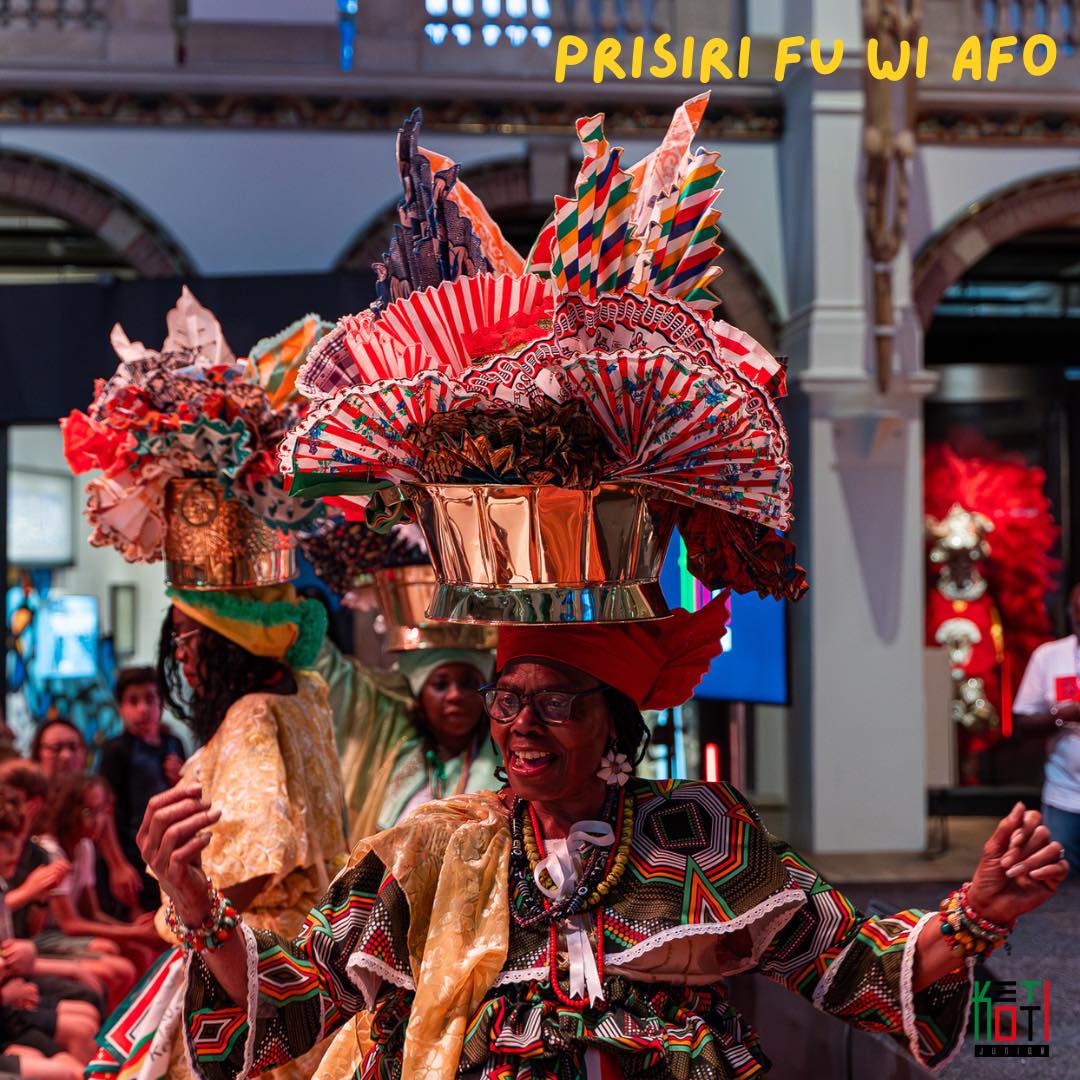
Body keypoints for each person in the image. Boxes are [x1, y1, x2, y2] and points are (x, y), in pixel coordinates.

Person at [142, 600, 1066, 1078]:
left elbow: (851, 961)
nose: (520, 724)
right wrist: (195, 905)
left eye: (556, 702)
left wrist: (977, 914)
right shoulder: (432, 847)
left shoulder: (697, 833)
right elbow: (298, 988)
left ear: (617, 724)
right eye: (510, 699)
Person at [90, 586, 348, 1080]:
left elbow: (259, 857)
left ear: (230, 634)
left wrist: (196, 915)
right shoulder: (305, 690)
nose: (181, 655)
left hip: (247, 952)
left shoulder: (251, 711)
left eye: (187, 638)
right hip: (311, 936)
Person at [316, 639, 496, 844]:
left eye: (468, 684)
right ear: (420, 696)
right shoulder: (397, 750)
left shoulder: (504, 766)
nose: (455, 695)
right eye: (440, 684)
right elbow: (330, 674)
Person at [36, 775, 161, 976]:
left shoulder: (85, 846)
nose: (98, 821)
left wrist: (132, 930)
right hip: (44, 936)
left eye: (102, 812)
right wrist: (135, 933)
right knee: (111, 951)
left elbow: (92, 913)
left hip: (64, 934)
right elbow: (70, 924)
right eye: (88, 812)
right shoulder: (49, 850)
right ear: (67, 811)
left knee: (139, 951)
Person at [30, 722, 143, 915]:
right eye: (56, 749)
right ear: (38, 754)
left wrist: (119, 867)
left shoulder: (93, 790)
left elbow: (110, 842)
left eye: (73, 748)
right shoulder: (29, 796)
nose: (66, 756)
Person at [98, 667, 185, 910]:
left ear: (162, 704)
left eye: (150, 699)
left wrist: (181, 780)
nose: (143, 709)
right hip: (131, 859)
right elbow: (103, 811)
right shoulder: (115, 750)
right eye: (133, 701)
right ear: (121, 708)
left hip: (169, 858)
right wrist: (117, 865)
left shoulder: (174, 745)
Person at [1013, 581, 1080, 873]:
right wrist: (1062, 715)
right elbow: (1022, 722)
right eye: (1078, 615)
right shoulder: (1050, 656)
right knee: (1059, 887)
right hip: (1064, 795)